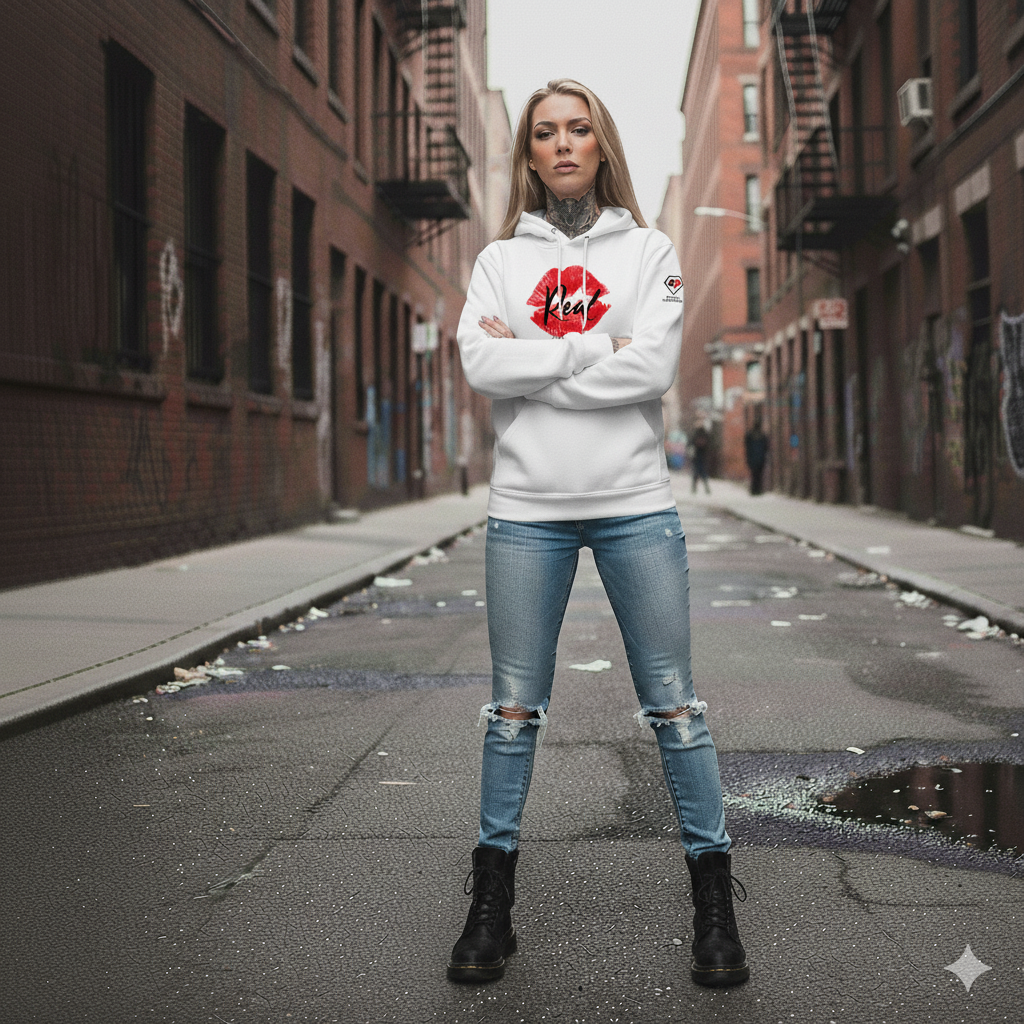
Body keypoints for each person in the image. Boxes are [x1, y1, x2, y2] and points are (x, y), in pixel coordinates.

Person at [449, 79, 749, 989]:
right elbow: (478, 361)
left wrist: (535, 364)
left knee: (676, 708)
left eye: (579, 128)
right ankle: (490, 910)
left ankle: (715, 907)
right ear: (530, 154)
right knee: (512, 714)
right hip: (527, 512)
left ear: (602, 142)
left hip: (633, 503)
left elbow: (651, 368)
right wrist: (593, 350)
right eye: (546, 132)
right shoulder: (501, 259)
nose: (564, 143)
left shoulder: (651, 248)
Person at [744, 419, 770, 496]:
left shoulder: (749, 435)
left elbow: (747, 447)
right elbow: (766, 448)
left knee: (754, 474)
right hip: (761, 458)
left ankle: (754, 489)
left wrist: (748, 458)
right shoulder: (763, 436)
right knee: (759, 475)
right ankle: (758, 489)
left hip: (752, 458)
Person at [690, 424, 711, 494]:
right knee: (702, 472)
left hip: (697, 456)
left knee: (697, 472)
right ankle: (706, 488)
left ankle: (694, 488)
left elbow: (691, 443)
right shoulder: (705, 434)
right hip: (702, 456)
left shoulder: (696, 434)